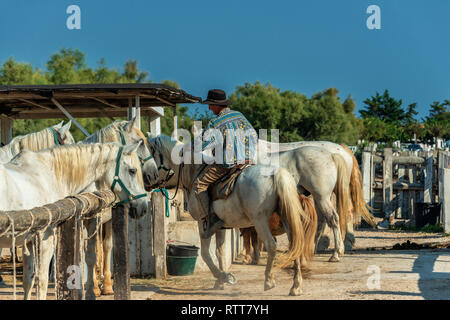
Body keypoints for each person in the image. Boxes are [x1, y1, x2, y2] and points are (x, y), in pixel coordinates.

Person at [192, 89, 258, 239]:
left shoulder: (215, 123)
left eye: (210, 105)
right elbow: (253, 135)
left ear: (217, 105)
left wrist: (188, 147)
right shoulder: (239, 116)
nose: (209, 108)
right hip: (247, 162)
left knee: (199, 184)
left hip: (227, 165)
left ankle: (211, 219)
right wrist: (247, 155)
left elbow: (202, 145)